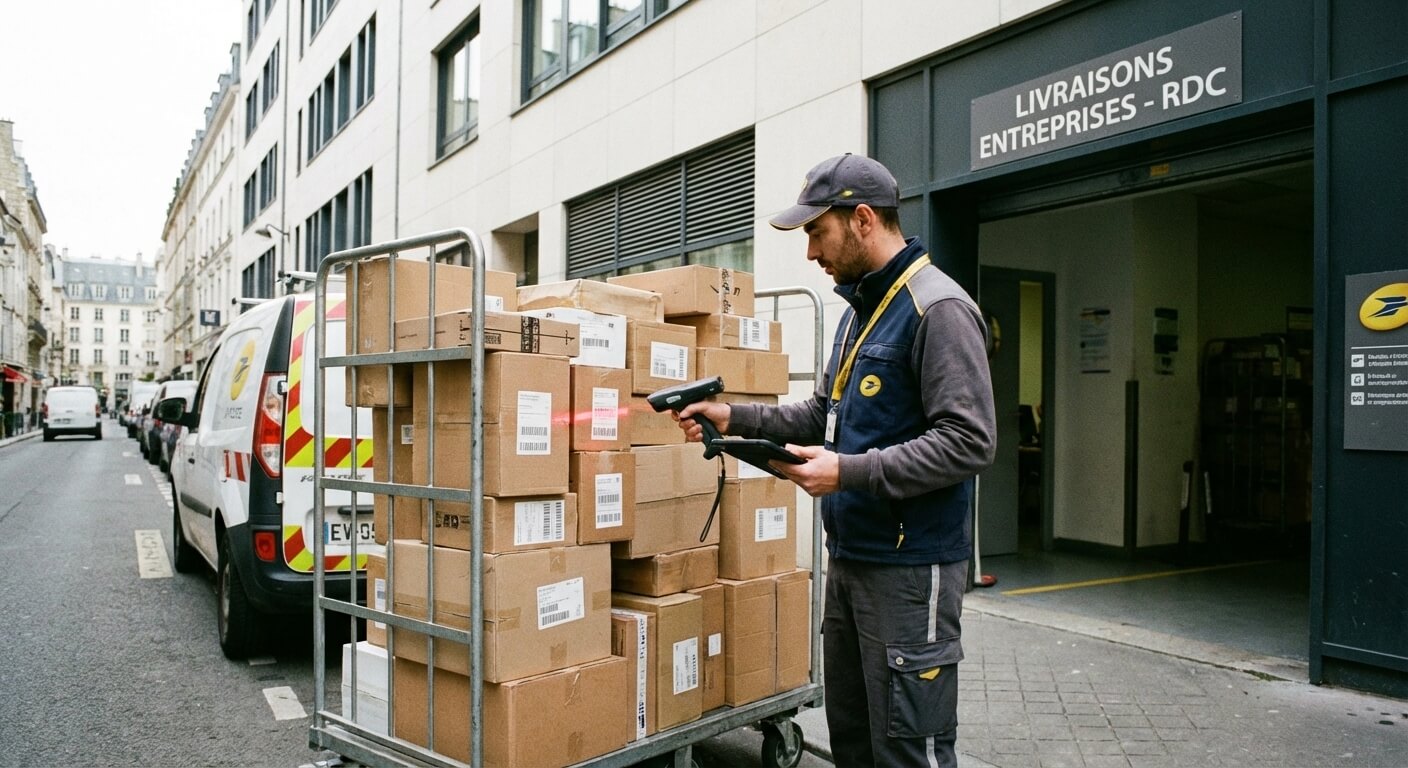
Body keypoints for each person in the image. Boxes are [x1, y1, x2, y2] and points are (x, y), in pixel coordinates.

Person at [676, 153, 996, 767]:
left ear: (864, 220)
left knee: (908, 750)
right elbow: (820, 415)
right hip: (852, 561)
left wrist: (847, 471)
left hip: (911, 571)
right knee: (854, 740)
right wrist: (731, 415)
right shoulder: (859, 314)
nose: (809, 253)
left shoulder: (938, 308)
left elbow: (969, 440)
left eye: (816, 233)